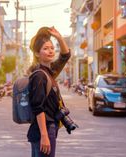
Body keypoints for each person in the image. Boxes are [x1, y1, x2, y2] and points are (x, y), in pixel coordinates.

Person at [27, 26, 72, 157]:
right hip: (44, 130)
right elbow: (38, 107)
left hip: (48, 128)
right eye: (45, 49)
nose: (50, 51)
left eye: (52, 48)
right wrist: (44, 136)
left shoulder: (50, 72)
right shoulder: (39, 75)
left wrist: (58, 37)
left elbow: (65, 56)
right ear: (37, 53)